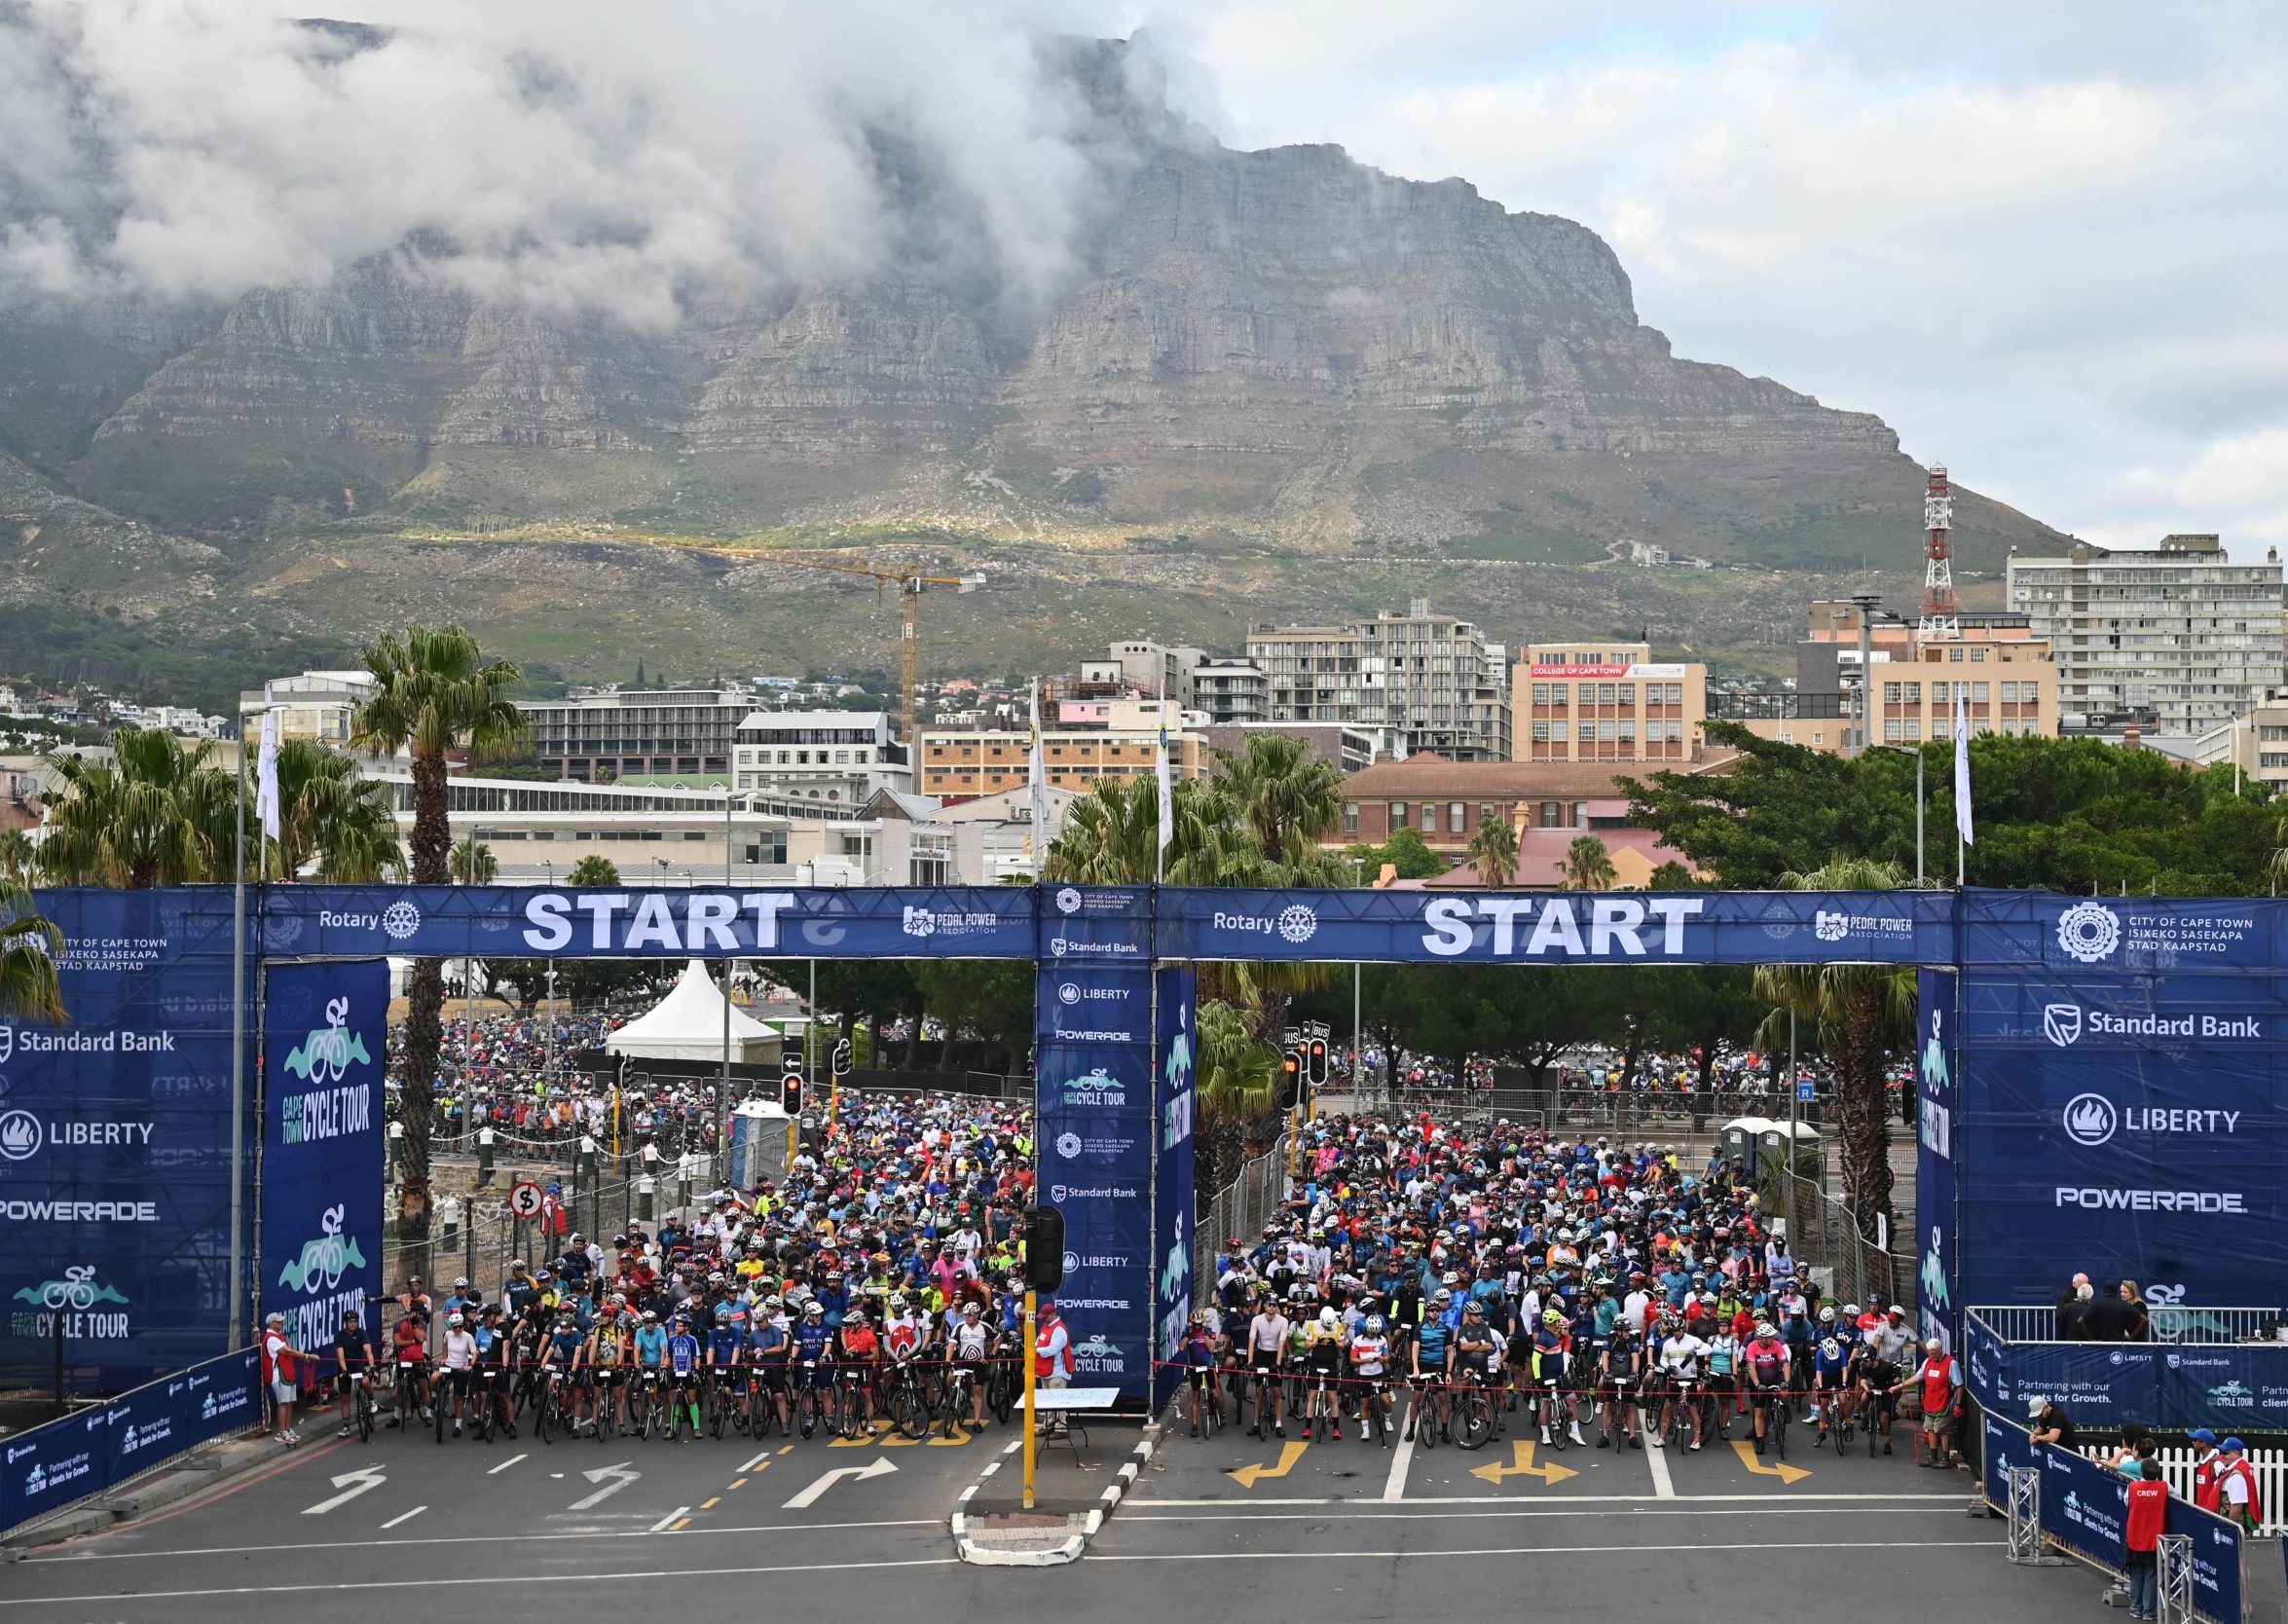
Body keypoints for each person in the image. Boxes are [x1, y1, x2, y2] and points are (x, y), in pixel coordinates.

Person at [2123, 1458, 2167, 1621]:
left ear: (2142, 1471)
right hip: (2154, 1538)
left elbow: (2126, 1503)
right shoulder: (2164, 1487)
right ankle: (2149, 1611)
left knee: (2136, 1574)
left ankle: (2136, 1608)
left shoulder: (2132, 1487)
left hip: (2135, 1536)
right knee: (2152, 1574)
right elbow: (2177, 1496)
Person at [1909, 1337, 1958, 1466]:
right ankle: (1933, 1456)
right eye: (1930, 1353)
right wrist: (1901, 1386)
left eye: (1934, 1354)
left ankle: (1945, 1459)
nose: (1932, 1356)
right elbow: (1918, 1377)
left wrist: (1958, 1404)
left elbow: (1959, 1385)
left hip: (1945, 1403)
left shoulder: (1951, 1363)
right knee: (1930, 1429)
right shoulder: (1927, 1361)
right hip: (1930, 1403)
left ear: (1941, 1350)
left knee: (1943, 1430)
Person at [260, 1311, 305, 1445]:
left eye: (281, 1321)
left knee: (289, 1402)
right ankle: (281, 1432)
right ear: (272, 1324)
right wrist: (306, 1356)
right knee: (283, 1403)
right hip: (279, 1376)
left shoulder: (280, 1337)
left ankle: (288, 1429)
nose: (282, 1323)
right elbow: (288, 1352)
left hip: (288, 1373)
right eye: (279, 1322)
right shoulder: (271, 1339)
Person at [1034, 1298, 1072, 1438]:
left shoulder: (1059, 1329)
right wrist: (1035, 1346)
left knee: (1058, 1400)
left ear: (1052, 1315)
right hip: (1046, 1370)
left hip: (1057, 1371)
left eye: (1045, 1317)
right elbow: (1039, 1341)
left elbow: (1053, 1349)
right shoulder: (1046, 1326)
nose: (1043, 1320)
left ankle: (1061, 1428)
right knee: (1048, 1400)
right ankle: (1048, 1425)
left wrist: (1036, 1350)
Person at [2216, 1438, 2263, 1532]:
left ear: (2236, 1453)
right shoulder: (2242, 1466)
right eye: (2221, 1452)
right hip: (2234, 1521)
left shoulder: (2236, 1475)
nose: (2222, 1455)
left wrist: (2228, 1529)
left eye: (2225, 1453)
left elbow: (2237, 1506)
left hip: (2232, 1523)